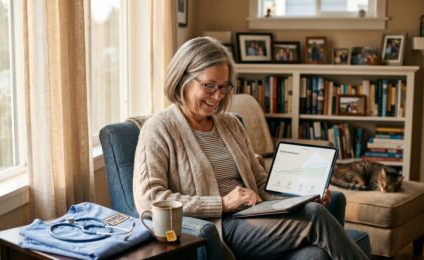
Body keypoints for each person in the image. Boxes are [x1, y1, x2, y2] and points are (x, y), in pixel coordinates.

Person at [133, 36, 368, 259]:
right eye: (209, 85)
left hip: (257, 215)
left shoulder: (230, 124)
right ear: (182, 79)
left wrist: (303, 196)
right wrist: (222, 203)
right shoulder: (158, 129)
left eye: (224, 87)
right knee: (316, 218)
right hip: (221, 227)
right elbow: (149, 199)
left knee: (315, 254)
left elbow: (259, 182)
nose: (217, 96)